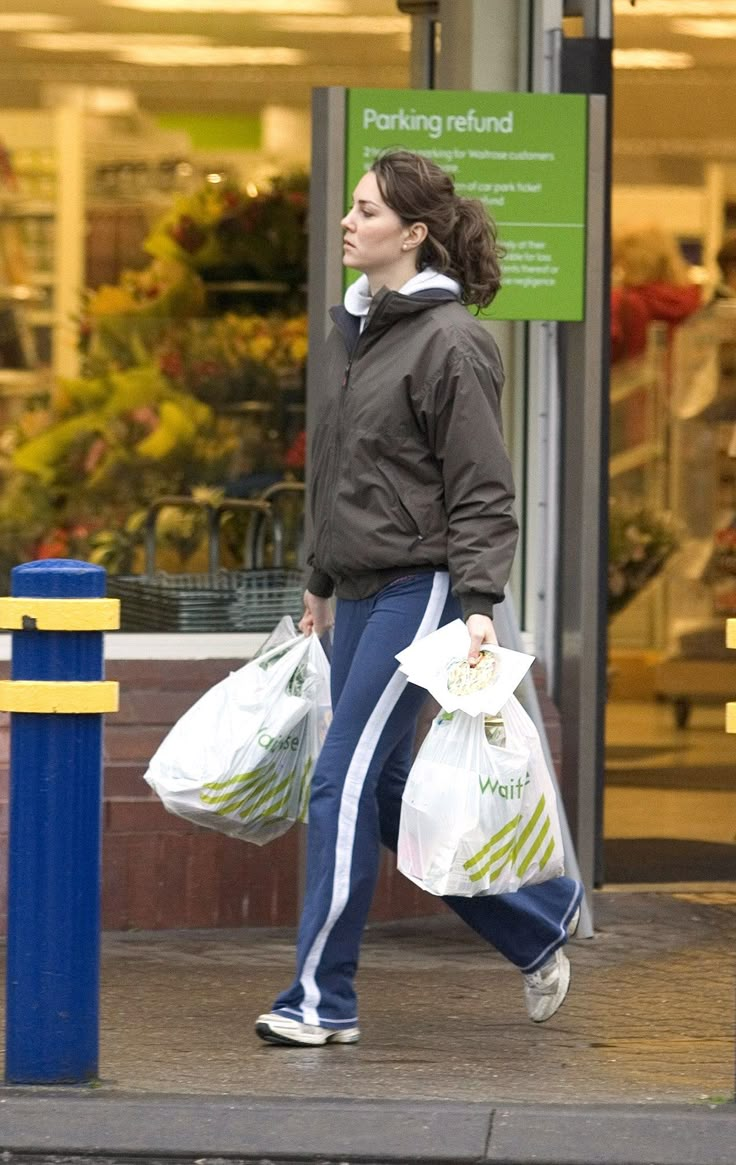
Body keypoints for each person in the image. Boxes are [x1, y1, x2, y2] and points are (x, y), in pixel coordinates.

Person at [255, 149, 583, 1048]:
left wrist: (477, 598)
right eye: (352, 208)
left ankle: (322, 1000)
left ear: (414, 233)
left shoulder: (453, 343)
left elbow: (483, 487)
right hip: (358, 587)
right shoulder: (359, 332)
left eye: (366, 211)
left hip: (422, 587)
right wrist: (319, 579)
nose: (349, 222)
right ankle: (537, 920)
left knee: (340, 781)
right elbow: (341, 473)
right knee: (384, 782)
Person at [610, 224, 701, 364]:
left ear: (629, 262)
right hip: (680, 384)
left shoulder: (622, 302)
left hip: (630, 383)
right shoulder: (692, 302)